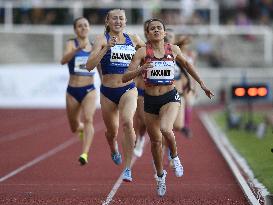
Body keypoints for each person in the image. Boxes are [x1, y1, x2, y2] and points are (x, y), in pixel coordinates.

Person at [122, 18, 214, 197]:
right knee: (155, 142)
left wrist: (201, 84)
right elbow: (126, 77)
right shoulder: (142, 52)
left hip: (170, 97)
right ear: (147, 34)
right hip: (150, 100)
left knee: (166, 128)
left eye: (159, 28)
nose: (156, 31)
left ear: (164, 33)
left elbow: (188, 65)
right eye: (152, 29)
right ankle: (160, 176)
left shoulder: (173, 49)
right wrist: (141, 70)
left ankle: (174, 156)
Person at [86, 9, 145, 182]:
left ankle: (127, 168)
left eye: (121, 18)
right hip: (108, 92)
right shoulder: (101, 39)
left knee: (127, 121)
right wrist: (106, 49)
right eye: (114, 18)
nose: (118, 21)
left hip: (128, 89)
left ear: (125, 22)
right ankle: (113, 148)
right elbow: (89, 66)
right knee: (112, 131)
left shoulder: (134, 39)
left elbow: (149, 53)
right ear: (108, 22)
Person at [60, 17, 97, 166]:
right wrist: (76, 50)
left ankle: (85, 153)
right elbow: (63, 61)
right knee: (74, 127)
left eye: (85, 25)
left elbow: (99, 68)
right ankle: (81, 128)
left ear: (89, 28)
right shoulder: (71, 43)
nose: (83, 28)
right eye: (80, 26)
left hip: (89, 89)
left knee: (89, 119)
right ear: (75, 30)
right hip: (72, 91)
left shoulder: (95, 46)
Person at [176, 35, 198, 138]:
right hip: (179, 83)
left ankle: (186, 125)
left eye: (187, 42)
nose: (186, 44)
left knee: (188, 103)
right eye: (184, 42)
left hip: (188, 83)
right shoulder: (176, 52)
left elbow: (194, 70)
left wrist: (195, 86)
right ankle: (178, 123)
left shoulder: (191, 54)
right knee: (179, 104)